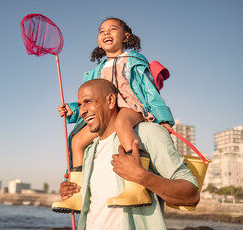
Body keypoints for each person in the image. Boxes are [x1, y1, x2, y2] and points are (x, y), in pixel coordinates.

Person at [52, 17, 174, 211]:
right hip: (106, 114)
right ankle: (78, 193)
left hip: (130, 106)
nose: (106, 33)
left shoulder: (134, 61)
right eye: (101, 31)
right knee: (76, 141)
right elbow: (90, 99)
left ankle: (136, 187)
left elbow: (150, 91)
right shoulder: (96, 71)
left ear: (126, 37)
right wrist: (73, 109)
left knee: (122, 123)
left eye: (112, 29)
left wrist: (164, 118)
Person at [59, 79, 200, 229]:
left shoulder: (148, 133)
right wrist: (73, 190)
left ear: (111, 100)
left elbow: (190, 195)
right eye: (80, 105)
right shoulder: (88, 151)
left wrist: (141, 176)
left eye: (88, 102)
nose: (82, 111)